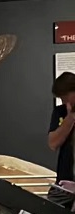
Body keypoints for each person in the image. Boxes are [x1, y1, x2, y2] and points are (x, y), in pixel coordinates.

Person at [47, 72, 75, 206]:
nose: (64, 102)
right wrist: (70, 117)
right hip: (64, 183)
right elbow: (53, 143)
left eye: (65, 97)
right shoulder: (60, 112)